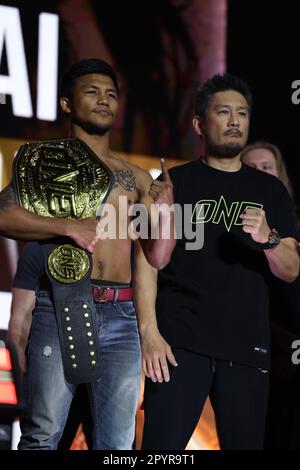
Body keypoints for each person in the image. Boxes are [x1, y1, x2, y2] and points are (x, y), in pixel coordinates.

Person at [0, 58, 176, 450]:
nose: (104, 101)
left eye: (111, 94)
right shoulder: (42, 161)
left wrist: (166, 213)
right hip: (60, 304)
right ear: (66, 104)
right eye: (92, 92)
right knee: (42, 435)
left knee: (116, 444)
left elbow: (157, 257)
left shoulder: (135, 176)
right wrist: (65, 226)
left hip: (121, 315)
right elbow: (3, 214)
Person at [135, 74, 300, 450]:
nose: (234, 121)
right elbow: (148, 262)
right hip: (178, 346)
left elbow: (291, 270)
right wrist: (149, 333)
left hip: (245, 350)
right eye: (223, 112)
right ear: (199, 124)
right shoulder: (174, 183)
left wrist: (269, 240)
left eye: (242, 113)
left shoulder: (270, 191)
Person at [241, 142, 300, 449]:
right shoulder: (231, 231)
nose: (260, 175)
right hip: (260, 351)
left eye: (267, 167)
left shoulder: (294, 225)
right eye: (250, 168)